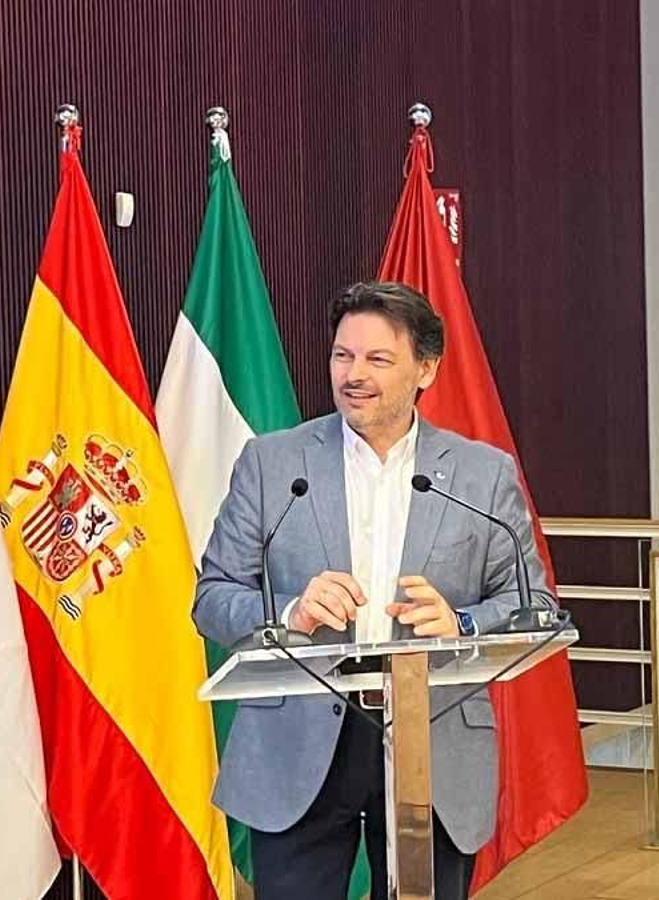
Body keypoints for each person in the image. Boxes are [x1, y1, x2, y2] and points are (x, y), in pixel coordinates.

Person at [192, 280, 547, 899]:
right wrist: (292, 613)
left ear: (426, 369)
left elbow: (532, 607)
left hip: (430, 737)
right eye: (342, 356)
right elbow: (212, 598)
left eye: (378, 359)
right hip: (300, 737)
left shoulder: (482, 475)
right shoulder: (272, 464)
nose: (354, 375)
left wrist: (462, 623)